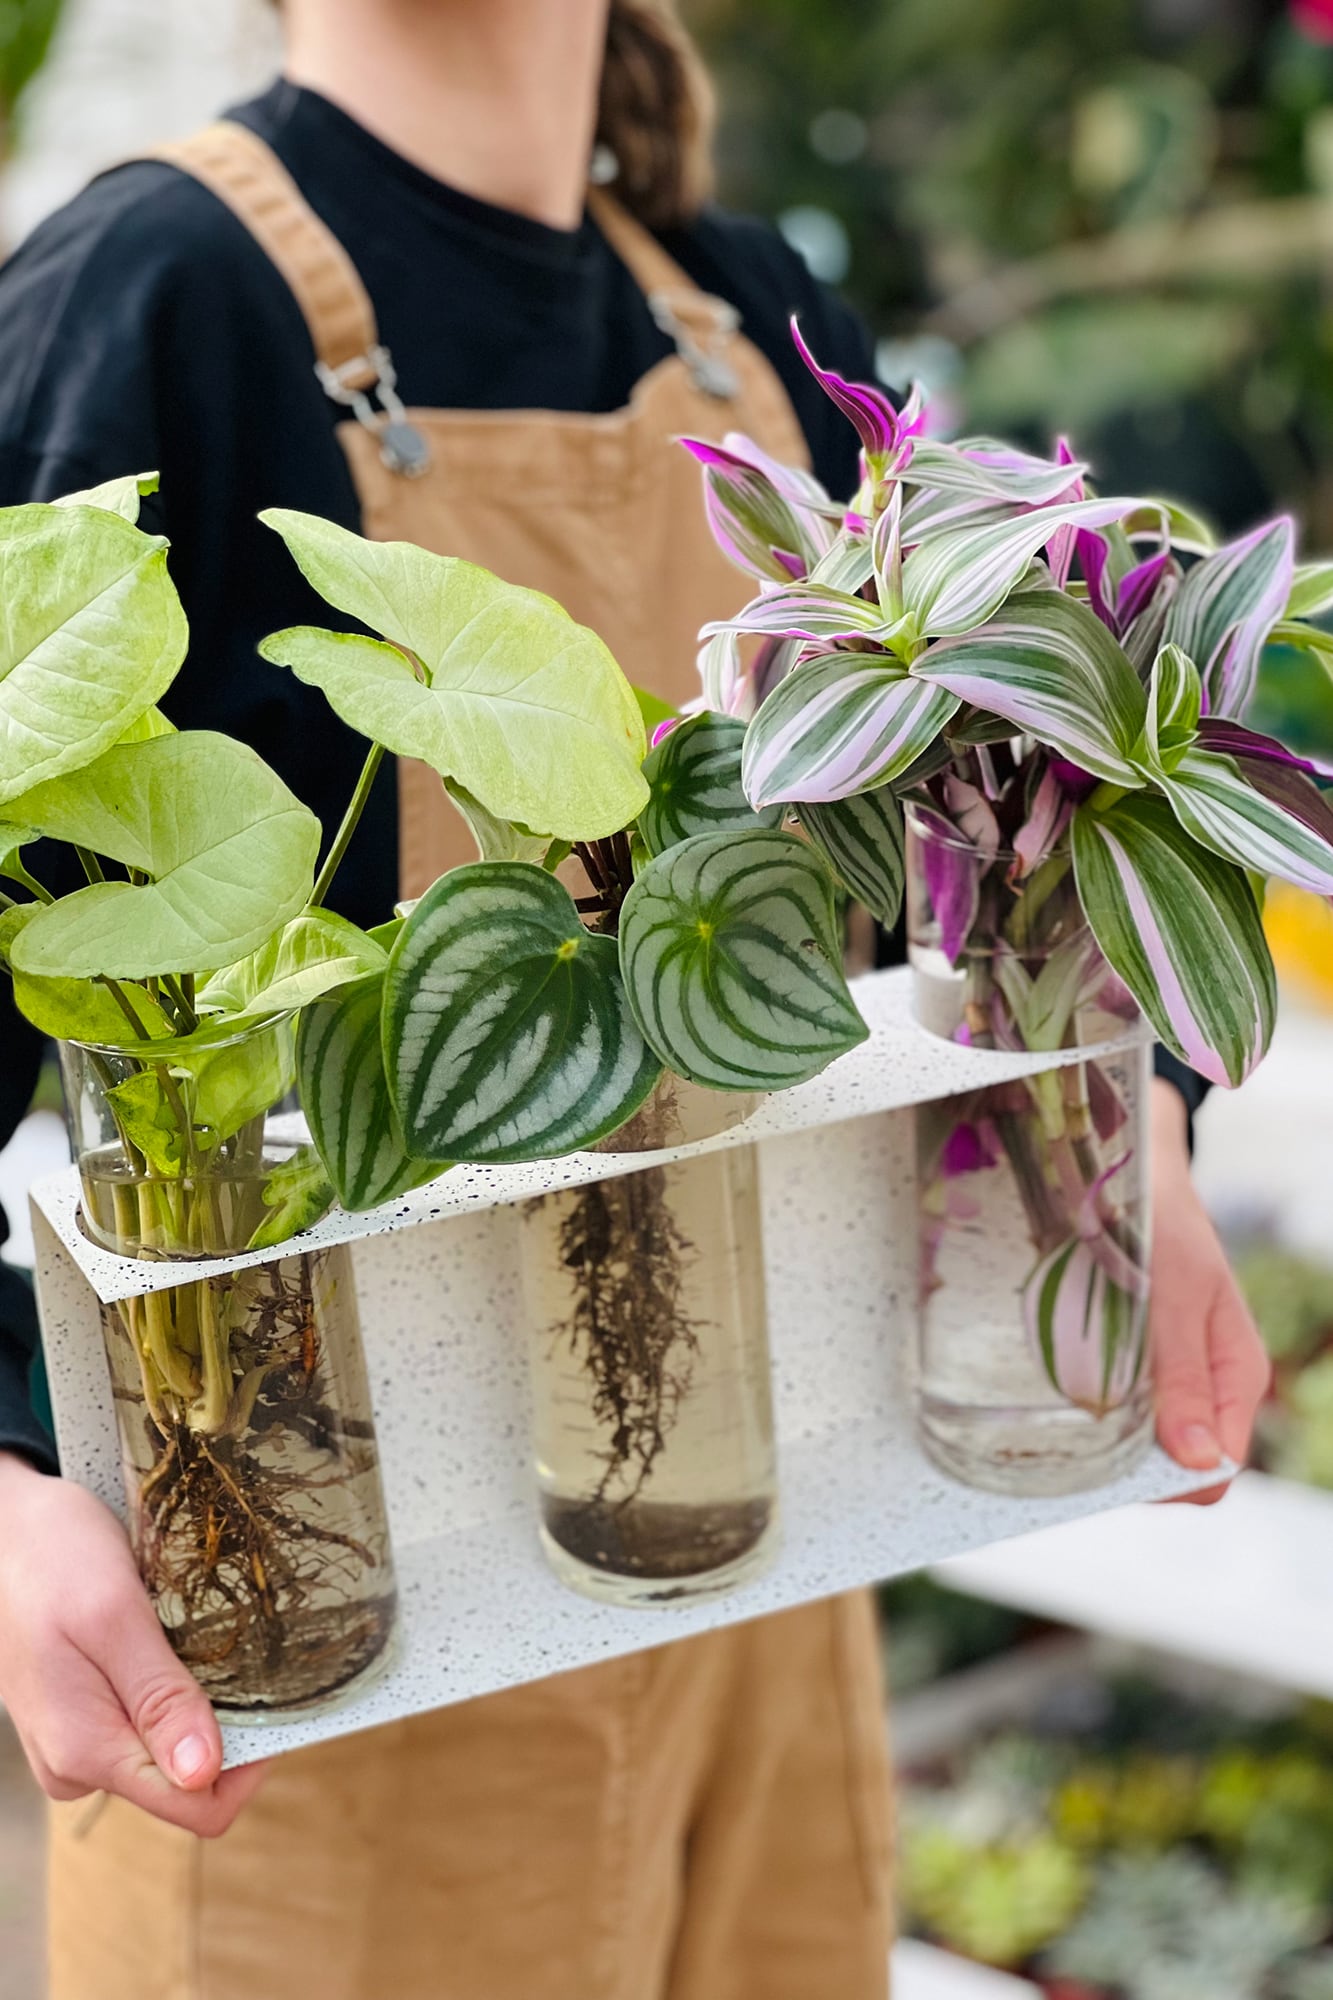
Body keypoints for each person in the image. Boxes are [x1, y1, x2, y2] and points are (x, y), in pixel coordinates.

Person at [0, 4, 1271, 1996]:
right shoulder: (150, 297)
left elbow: (1054, 789)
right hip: (339, 1646)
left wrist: (1150, 1137)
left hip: (768, 1578)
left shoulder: (752, 324)